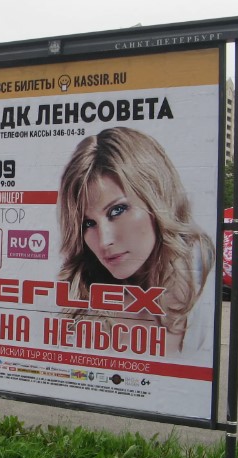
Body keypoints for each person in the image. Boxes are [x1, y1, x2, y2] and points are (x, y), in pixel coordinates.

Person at [57, 127, 215, 354]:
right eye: (88, 224)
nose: (104, 241)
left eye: (117, 210)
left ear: (157, 198)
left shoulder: (202, 291)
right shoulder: (82, 306)